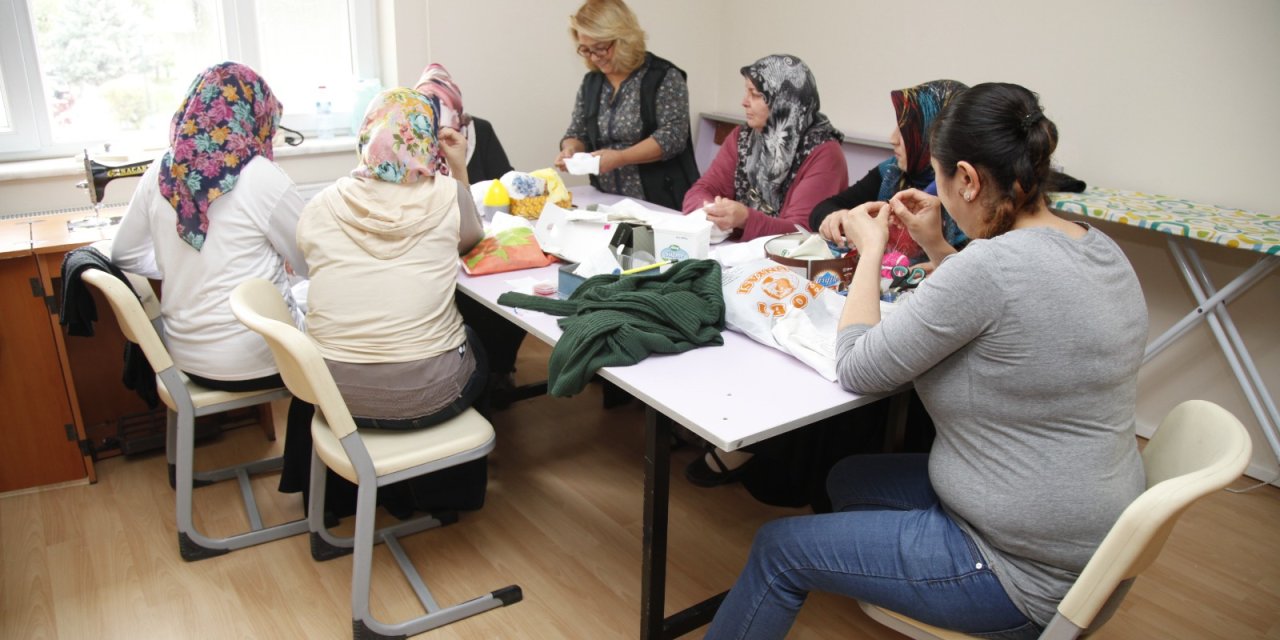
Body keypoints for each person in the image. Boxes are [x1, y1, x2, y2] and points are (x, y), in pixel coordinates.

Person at [705, 83, 1149, 639]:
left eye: (938, 176)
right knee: (848, 477)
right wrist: (940, 247)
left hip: (1022, 570)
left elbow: (859, 366)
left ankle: (905, 576)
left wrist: (870, 251)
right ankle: (873, 569)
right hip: (1093, 536)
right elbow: (1008, 318)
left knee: (777, 549)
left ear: (966, 177)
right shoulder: (1099, 246)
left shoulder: (986, 268)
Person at [297, 87, 485, 429]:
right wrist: (458, 168)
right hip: (426, 392)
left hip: (331, 391)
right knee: (478, 342)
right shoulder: (448, 195)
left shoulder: (321, 204)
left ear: (367, 134)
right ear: (427, 138)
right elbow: (471, 241)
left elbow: (306, 264)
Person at [112, 61, 306, 392]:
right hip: (263, 360)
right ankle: (320, 437)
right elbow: (311, 260)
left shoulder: (158, 172)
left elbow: (123, 254)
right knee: (324, 308)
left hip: (186, 360)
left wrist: (179, 267)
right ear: (254, 114)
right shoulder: (261, 175)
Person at [415, 63, 526, 401]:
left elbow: (505, 185)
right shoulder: (411, 141)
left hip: (481, 238)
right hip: (441, 252)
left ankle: (498, 368)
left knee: (508, 296)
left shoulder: (480, 133)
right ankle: (477, 372)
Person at [681, 54, 847, 242]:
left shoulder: (824, 153)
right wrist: (713, 210)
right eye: (746, 92)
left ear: (784, 102)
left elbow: (802, 231)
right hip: (738, 254)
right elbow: (702, 189)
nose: (744, 102)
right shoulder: (743, 137)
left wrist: (745, 219)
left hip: (789, 263)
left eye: (756, 95)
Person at [556, 0, 699, 210]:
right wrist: (570, 149)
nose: (594, 58)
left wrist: (621, 158)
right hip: (608, 201)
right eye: (586, 50)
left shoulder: (664, 77)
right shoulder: (591, 83)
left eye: (600, 48)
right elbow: (579, 132)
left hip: (661, 200)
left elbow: (672, 137)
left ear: (623, 39)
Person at [812, 79, 970, 267]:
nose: (892, 138)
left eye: (905, 131)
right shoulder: (893, 171)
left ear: (933, 135)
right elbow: (823, 208)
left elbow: (970, 269)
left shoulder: (964, 193)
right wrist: (842, 217)